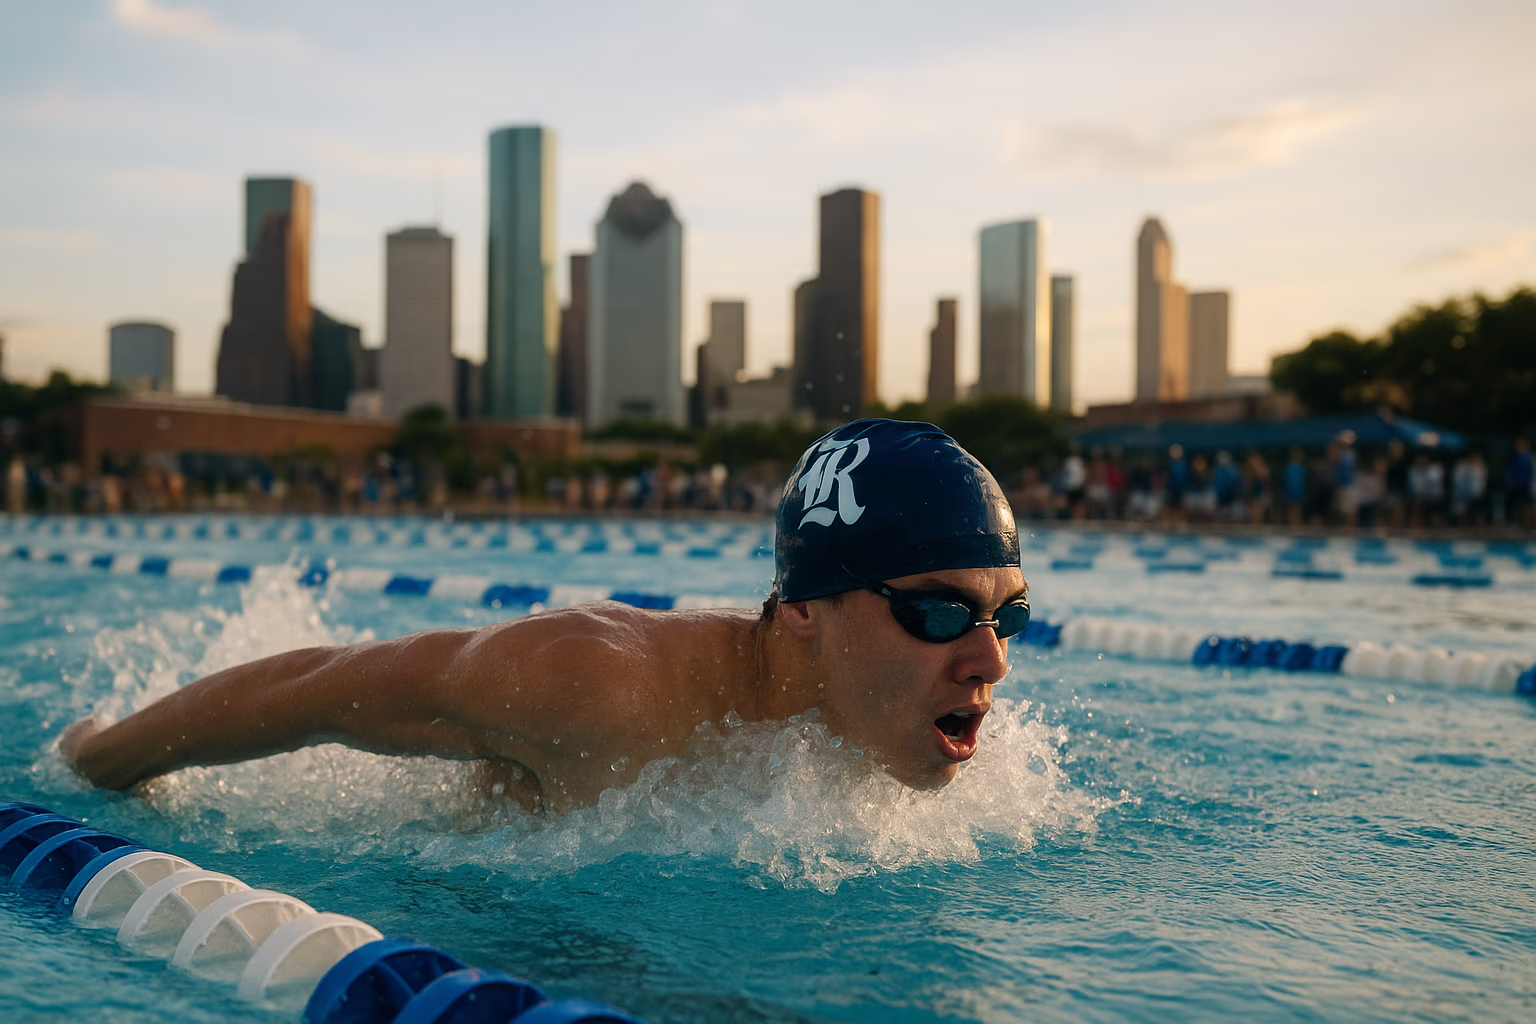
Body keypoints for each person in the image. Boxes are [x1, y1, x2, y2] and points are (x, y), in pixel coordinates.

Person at [62, 419, 1028, 814]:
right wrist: (107, 760)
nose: (990, 664)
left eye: (1007, 618)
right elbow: (316, 688)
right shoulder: (599, 683)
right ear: (809, 607)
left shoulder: (894, 733)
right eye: (941, 615)